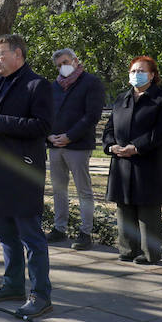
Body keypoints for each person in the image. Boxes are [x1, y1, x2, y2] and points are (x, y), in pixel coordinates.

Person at [0, 34, 55, 319]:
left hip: (22, 171)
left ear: (18, 54)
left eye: (1, 54)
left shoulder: (38, 85)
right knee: (6, 234)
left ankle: (41, 295)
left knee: (31, 237)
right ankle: (12, 285)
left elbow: (43, 126)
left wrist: (0, 122)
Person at [102, 56, 162, 263]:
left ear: (152, 75)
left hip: (148, 161)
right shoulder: (121, 99)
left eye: (141, 71)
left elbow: (161, 130)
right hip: (121, 161)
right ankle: (127, 249)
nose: (136, 75)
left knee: (147, 209)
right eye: (133, 71)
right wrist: (111, 146)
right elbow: (109, 129)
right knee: (124, 207)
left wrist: (137, 147)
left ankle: (150, 253)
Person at [46, 48, 105, 246]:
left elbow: (92, 115)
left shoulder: (91, 83)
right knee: (58, 190)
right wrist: (50, 136)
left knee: (83, 191)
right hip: (54, 145)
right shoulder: (53, 86)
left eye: (65, 62)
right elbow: (46, 113)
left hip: (78, 145)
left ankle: (85, 232)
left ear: (75, 60)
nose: (63, 67)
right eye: (59, 65)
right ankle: (59, 228)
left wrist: (70, 136)